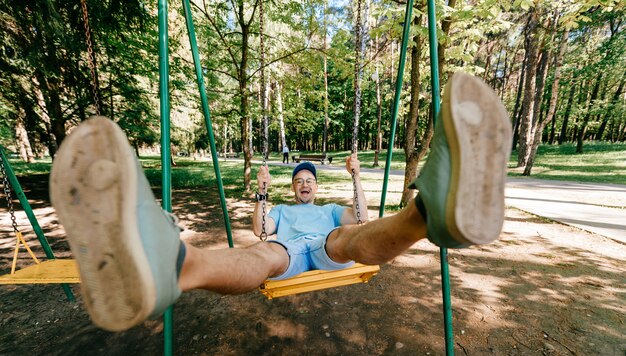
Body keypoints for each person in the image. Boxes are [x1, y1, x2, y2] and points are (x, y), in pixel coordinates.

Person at [49, 73, 512, 332]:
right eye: (301, 181)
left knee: (347, 238)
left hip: (330, 248)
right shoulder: (285, 210)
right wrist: (263, 191)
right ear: (295, 189)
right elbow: (259, 230)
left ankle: (425, 215)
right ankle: (173, 265)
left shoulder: (331, 209)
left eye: (310, 179)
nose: (306, 184)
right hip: (288, 255)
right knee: (265, 252)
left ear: (316, 185)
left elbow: (362, 221)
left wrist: (355, 179)